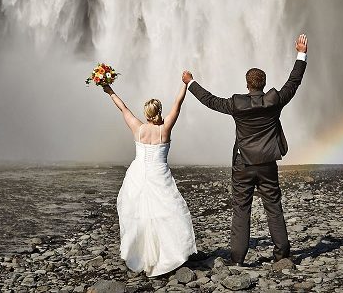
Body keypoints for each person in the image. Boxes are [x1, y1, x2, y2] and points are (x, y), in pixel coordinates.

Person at [182, 33, 308, 265]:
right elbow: (294, 82)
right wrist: (301, 53)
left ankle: (238, 259)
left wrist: (190, 82)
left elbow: (210, 100)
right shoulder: (275, 100)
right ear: (263, 83)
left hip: (243, 164)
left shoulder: (236, 104)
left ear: (247, 84)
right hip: (268, 163)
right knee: (273, 207)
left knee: (241, 210)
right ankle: (282, 253)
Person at [101, 81, 197, 276]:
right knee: (166, 212)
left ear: (146, 114)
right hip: (159, 174)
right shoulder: (165, 129)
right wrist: (185, 84)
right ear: (159, 111)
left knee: (138, 213)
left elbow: (123, 108)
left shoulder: (138, 128)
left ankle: (139, 254)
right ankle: (167, 254)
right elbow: (178, 104)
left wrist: (109, 90)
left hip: (138, 173)